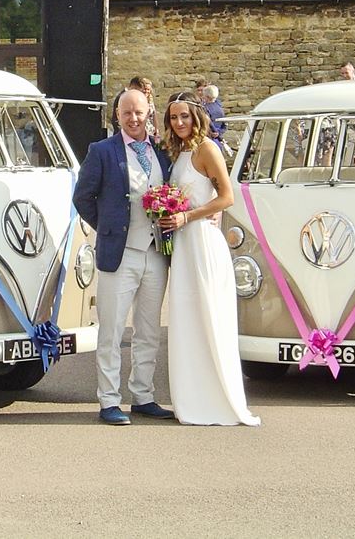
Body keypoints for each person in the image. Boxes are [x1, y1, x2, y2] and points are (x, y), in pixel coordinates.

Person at [157, 91, 259, 426]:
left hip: (202, 240)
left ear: (197, 116)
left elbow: (227, 197)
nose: (179, 122)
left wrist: (188, 216)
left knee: (209, 316)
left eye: (184, 116)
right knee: (187, 319)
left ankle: (217, 399)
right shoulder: (179, 151)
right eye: (174, 117)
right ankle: (192, 398)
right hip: (183, 244)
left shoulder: (206, 149)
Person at [73, 88, 174, 425]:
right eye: (126, 112)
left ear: (149, 114)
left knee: (149, 330)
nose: (133, 118)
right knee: (112, 330)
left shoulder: (161, 152)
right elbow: (83, 197)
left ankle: (143, 395)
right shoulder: (102, 151)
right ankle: (109, 400)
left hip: (155, 253)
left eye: (139, 112)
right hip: (119, 254)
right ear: (117, 115)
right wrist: (108, 228)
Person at [200, 85, 227, 151]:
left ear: (207, 97)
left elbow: (208, 122)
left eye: (204, 95)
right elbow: (225, 125)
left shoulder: (204, 108)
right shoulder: (219, 106)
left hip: (209, 138)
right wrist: (219, 133)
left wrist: (213, 132)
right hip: (217, 138)